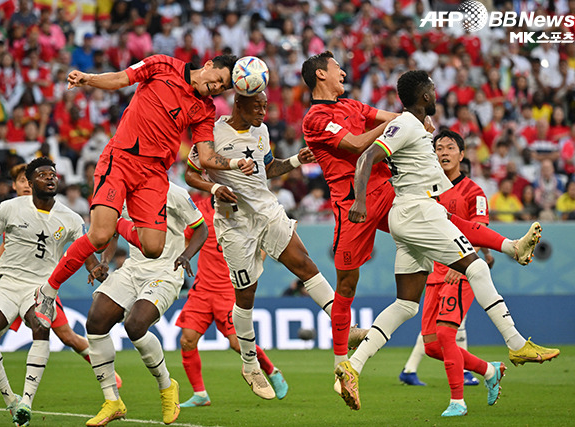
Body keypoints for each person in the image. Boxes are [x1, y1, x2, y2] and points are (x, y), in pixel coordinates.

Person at [301, 52, 542, 378]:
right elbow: (359, 145)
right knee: (347, 284)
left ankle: (511, 248)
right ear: (320, 74)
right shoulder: (314, 118)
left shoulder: (354, 106)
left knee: (439, 223)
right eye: (336, 68)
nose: (343, 72)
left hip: (387, 192)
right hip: (351, 203)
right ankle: (340, 364)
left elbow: (397, 116)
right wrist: (402, 123)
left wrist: (404, 121)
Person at [341, 70, 560, 413]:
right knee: (475, 266)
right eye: (431, 87)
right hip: (419, 210)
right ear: (425, 96)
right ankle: (516, 343)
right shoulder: (409, 125)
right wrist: (360, 200)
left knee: (406, 305)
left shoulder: (411, 126)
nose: (435, 91)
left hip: (408, 212)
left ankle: (353, 365)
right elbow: (368, 156)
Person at [34, 53, 255, 329]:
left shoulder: (206, 110)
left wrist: (236, 163)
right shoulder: (162, 64)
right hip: (122, 159)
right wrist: (87, 79)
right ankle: (48, 290)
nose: (217, 87)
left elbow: (207, 156)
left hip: (153, 176)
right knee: (100, 236)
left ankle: (118, 224)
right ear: (209, 65)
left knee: (153, 248)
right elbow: (119, 79)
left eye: (223, 88)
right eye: (219, 80)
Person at [185, 91, 366, 400]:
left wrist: (296, 160)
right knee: (246, 295)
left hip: (267, 212)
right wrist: (215, 186)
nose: (263, 112)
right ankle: (250, 363)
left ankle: (342, 325)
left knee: (305, 265)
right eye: (257, 106)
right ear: (239, 103)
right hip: (234, 224)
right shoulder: (213, 132)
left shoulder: (262, 131)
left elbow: (266, 169)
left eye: (266, 106)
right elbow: (191, 173)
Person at [0, 163, 121, 406]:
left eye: (53, 176)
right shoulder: (9, 208)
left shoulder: (70, 218)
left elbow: (85, 254)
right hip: (8, 284)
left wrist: (96, 268)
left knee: (60, 334)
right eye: (42, 176)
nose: (50, 179)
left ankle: (25, 400)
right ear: (25, 182)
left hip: (41, 288)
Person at [401, 130, 509, 415]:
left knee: (447, 336)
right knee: (432, 345)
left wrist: (460, 266)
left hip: (461, 272)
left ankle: (457, 401)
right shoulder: (427, 189)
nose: (443, 152)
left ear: (462, 155)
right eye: (438, 148)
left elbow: (480, 230)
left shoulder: (474, 192)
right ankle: (489, 370)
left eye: (450, 147)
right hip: (434, 274)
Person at [83, 182, 208, 426]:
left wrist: (186, 255)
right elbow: (114, 231)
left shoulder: (175, 193)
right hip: (132, 269)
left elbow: (200, 228)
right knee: (95, 321)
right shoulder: (124, 193)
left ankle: (166, 386)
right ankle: (112, 401)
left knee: (136, 325)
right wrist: (105, 260)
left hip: (166, 271)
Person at [176, 195, 289, 407]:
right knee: (187, 339)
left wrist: (256, 263)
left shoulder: (243, 210)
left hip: (228, 290)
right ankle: (200, 394)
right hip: (202, 289)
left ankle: (272, 371)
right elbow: (187, 237)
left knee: (238, 344)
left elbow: (261, 240)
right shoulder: (199, 208)